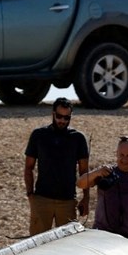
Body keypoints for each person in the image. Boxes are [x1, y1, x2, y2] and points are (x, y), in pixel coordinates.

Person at [24, 98, 90, 236]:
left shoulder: (78, 138)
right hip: (42, 199)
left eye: (66, 117)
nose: (62, 121)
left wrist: (86, 198)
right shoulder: (39, 135)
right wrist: (30, 195)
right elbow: (29, 167)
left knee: (66, 248)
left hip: (67, 201)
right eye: (59, 116)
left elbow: (84, 171)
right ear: (53, 114)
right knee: (37, 246)